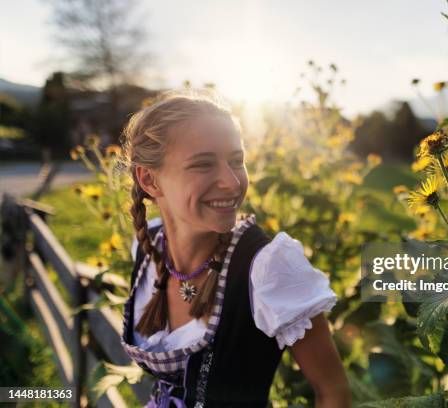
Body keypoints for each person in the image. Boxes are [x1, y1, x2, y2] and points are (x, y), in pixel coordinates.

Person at [119, 89, 351, 407]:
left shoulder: (268, 267)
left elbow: (333, 392)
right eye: (203, 165)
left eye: (236, 160)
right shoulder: (149, 248)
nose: (231, 182)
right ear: (149, 180)